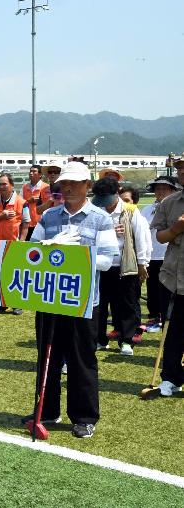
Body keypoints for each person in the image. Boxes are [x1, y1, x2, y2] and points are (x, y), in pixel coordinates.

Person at [26, 160, 119, 438]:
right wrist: (47, 248)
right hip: (49, 299)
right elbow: (32, 249)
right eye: (64, 184)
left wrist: (75, 253)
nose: (67, 188)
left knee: (82, 360)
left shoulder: (99, 218)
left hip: (83, 301)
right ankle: (47, 411)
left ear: (87, 186)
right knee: (48, 357)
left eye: (74, 184)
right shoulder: (49, 216)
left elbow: (109, 259)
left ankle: (84, 416)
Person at [92, 177, 151, 355]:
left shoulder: (131, 211)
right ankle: (100, 339)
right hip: (101, 266)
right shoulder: (95, 211)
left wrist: (143, 263)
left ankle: (126, 341)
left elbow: (142, 239)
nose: (105, 204)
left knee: (127, 304)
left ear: (117, 193)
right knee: (99, 305)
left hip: (125, 266)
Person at [150, 155, 184, 397]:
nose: (182, 172)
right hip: (175, 277)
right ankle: (171, 378)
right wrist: (175, 229)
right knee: (174, 332)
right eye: (180, 168)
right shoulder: (170, 202)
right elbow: (160, 236)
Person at [142, 176, 179, 333]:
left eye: (165, 188)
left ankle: (167, 317)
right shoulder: (147, 210)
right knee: (152, 287)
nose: (161, 191)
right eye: (158, 189)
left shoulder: (176, 208)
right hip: (152, 254)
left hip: (168, 256)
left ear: (172, 191)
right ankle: (154, 316)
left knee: (168, 288)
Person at [0, 173, 30, 314]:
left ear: (11, 185)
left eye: (4, 184)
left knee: (15, 275)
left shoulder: (22, 202)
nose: (1, 187)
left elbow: (26, 223)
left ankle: (17, 304)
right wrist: (2, 215)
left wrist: (22, 241)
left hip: (14, 244)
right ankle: (1, 304)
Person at [22, 165, 50, 241]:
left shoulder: (46, 187)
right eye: (30, 171)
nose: (31, 173)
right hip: (27, 224)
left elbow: (50, 205)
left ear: (40, 175)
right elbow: (19, 204)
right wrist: (28, 201)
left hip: (41, 224)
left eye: (34, 171)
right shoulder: (24, 187)